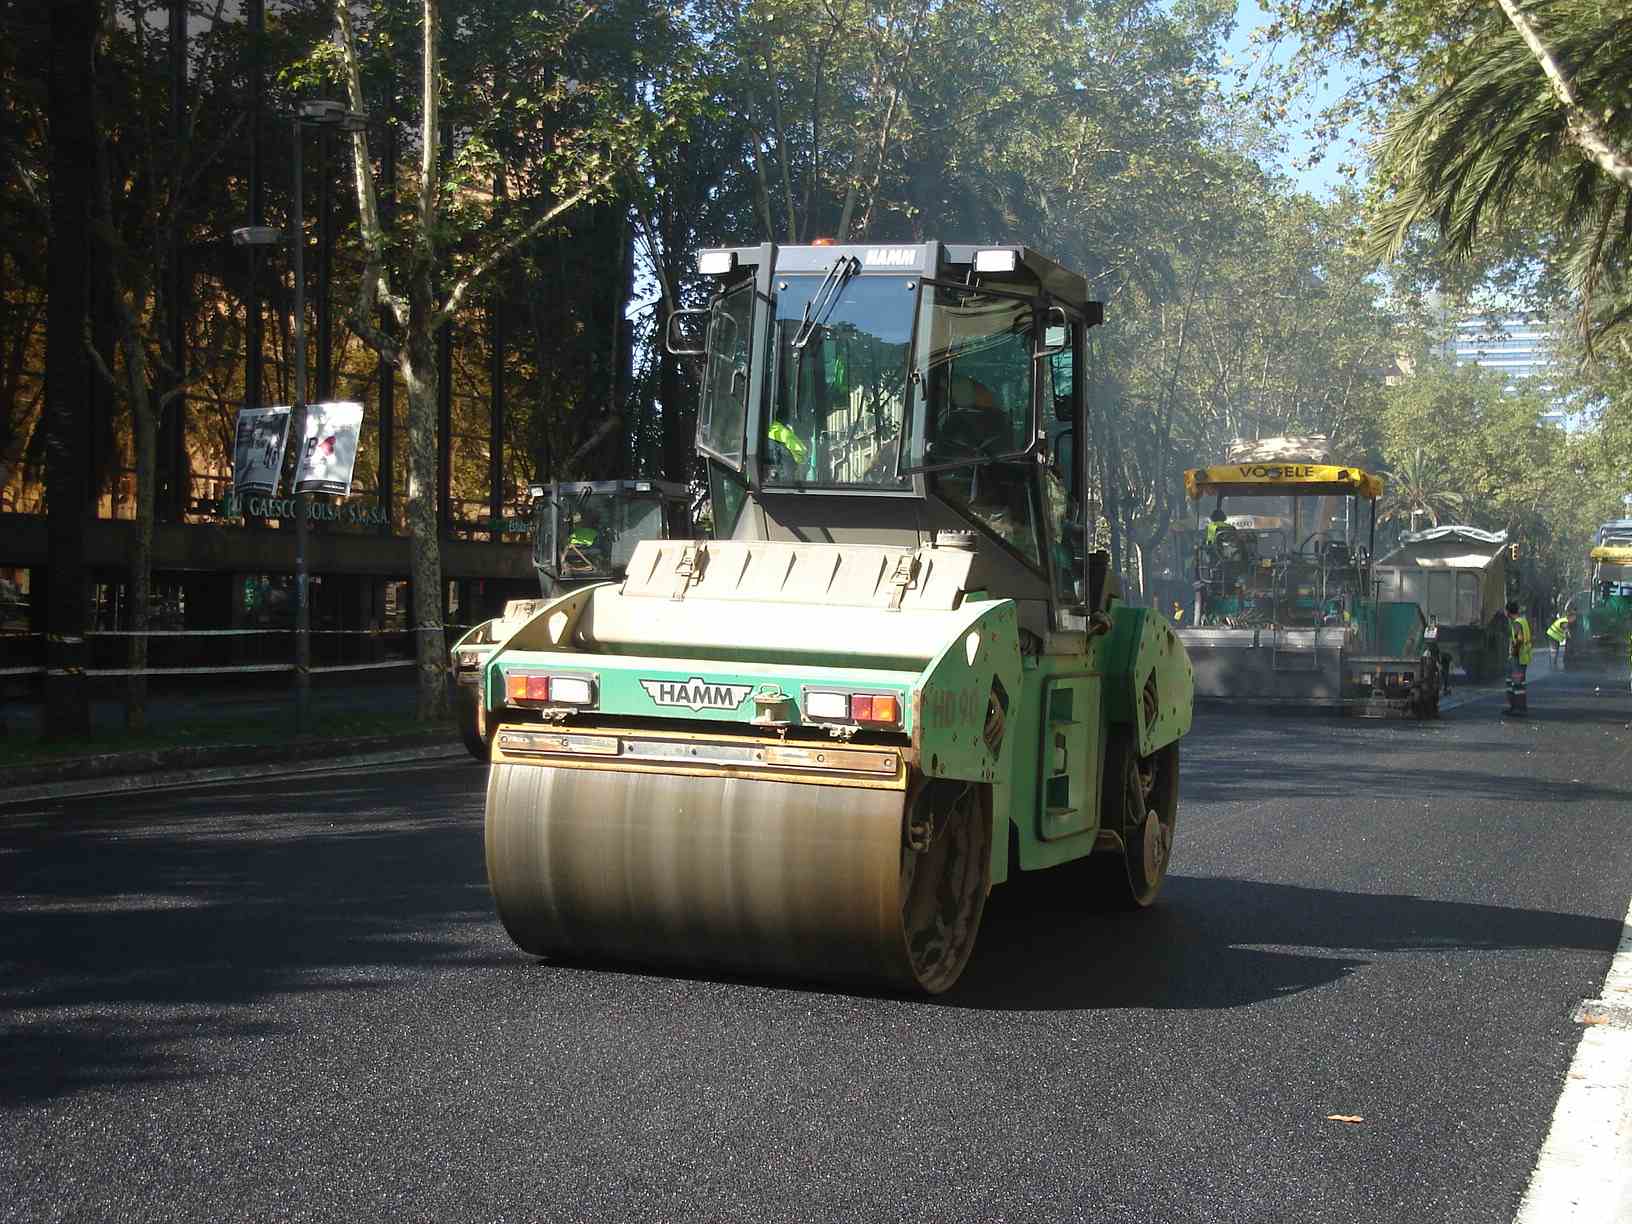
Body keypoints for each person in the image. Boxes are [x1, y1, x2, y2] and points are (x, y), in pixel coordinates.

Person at [1504, 599, 1532, 715]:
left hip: (1518, 657)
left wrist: (1514, 651)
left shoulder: (1516, 623)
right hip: (1523, 657)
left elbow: (1519, 639)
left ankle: (1518, 709)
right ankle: (1517, 707)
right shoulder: (1523, 621)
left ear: (1508, 612)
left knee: (1517, 683)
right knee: (1518, 683)